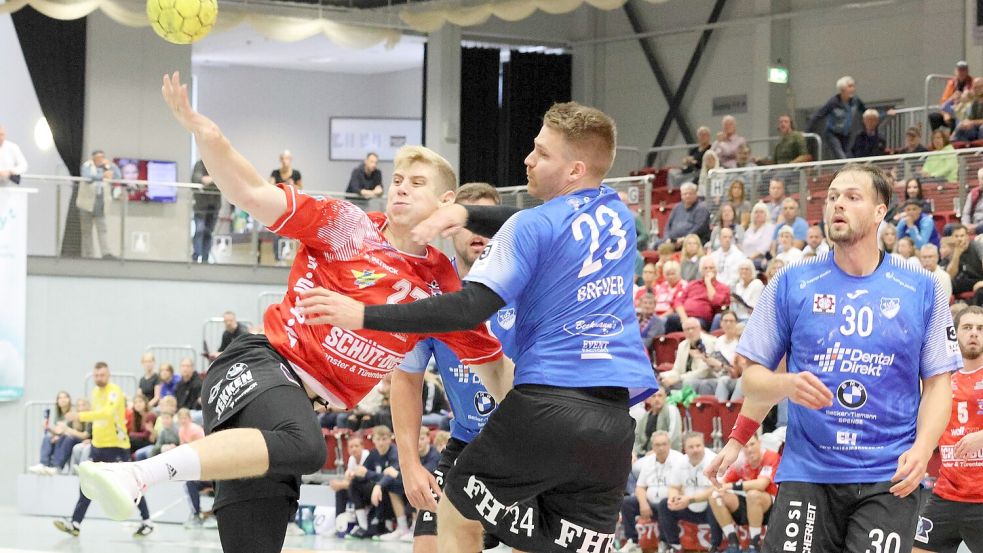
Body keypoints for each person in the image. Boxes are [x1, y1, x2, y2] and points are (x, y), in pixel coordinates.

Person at [77, 72, 504, 553]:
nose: (401, 189)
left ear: (446, 203)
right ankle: (137, 473)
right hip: (258, 367)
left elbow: (493, 369)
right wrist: (207, 135)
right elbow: (252, 193)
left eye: (417, 183)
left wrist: (546, 427)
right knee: (307, 446)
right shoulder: (348, 227)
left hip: (289, 418)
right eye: (398, 180)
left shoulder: (443, 287)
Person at [295, 101, 659, 552]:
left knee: (455, 507)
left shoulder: (528, 229)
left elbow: (469, 308)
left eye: (542, 153)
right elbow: (544, 221)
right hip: (613, 424)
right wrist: (466, 214)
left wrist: (362, 315)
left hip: (547, 404)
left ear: (574, 169)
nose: (528, 159)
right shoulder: (618, 215)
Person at [706, 163, 959, 553]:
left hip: (888, 475)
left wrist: (924, 448)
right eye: (833, 197)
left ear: (880, 212)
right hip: (809, 472)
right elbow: (753, 378)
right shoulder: (791, 282)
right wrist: (773, 397)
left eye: (852, 197)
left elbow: (940, 384)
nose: (838, 204)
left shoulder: (922, 288)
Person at [392, 182, 513, 553]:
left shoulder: (528, 285)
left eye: (487, 220)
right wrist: (409, 463)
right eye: (468, 220)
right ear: (449, 229)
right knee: (428, 545)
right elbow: (406, 379)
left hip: (526, 445)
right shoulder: (433, 295)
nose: (478, 230)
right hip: (466, 443)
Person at [54, 362, 154, 538]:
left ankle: (147, 521)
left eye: (102, 375)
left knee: (130, 484)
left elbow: (107, 414)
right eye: (96, 375)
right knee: (87, 483)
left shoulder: (114, 392)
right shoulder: (95, 392)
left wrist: (79, 415)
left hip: (117, 446)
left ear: (108, 375)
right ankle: (75, 523)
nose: (98, 378)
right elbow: (97, 419)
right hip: (98, 446)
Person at [913, 306, 983, 553]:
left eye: (980, 328)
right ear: (954, 333)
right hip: (946, 495)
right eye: (967, 327)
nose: (974, 333)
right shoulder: (940, 382)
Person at [708, 434, 780, 553]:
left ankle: (754, 545)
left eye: (752, 444)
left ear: (759, 443)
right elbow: (722, 484)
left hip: (771, 506)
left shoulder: (770, 456)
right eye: (746, 446)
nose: (749, 449)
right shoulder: (741, 461)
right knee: (715, 497)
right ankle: (733, 543)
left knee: (753, 494)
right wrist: (718, 487)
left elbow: (761, 485)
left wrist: (731, 486)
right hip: (749, 504)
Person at [620, 431, 686, 553]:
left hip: (670, 504)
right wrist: (643, 503)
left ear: (669, 444)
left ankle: (665, 543)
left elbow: (683, 487)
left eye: (664, 444)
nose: (661, 448)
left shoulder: (679, 459)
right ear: (652, 447)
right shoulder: (648, 461)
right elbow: (640, 487)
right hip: (650, 504)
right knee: (627, 502)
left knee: (663, 504)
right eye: (657, 445)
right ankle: (632, 541)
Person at [655, 432, 719, 552]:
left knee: (715, 501)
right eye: (691, 447)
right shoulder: (680, 462)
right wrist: (674, 498)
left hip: (708, 508)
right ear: (685, 448)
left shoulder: (714, 460)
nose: (695, 450)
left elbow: (717, 488)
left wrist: (690, 500)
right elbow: (673, 487)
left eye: (698, 446)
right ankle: (673, 545)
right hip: (688, 507)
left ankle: (716, 546)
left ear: (704, 445)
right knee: (664, 504)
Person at [807, 76, 894, 160]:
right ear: (842, 89)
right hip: (833, 134)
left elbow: (866, 112)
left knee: (847, 156)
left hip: (846, 134)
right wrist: (807, 131)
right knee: (841, 157)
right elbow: (819, 115)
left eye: (853, 86)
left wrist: (885, 113)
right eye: (850, 86)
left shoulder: (856, 101)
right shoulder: (833, 102)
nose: (853, 89)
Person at [665, 256, 730, 332]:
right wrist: (684, 318)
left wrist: (708, 282)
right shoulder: (692, 284)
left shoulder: (722, 287)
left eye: (711, 268)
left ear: (716, 270)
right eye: (705, 268)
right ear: (701, 271)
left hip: (702, 319)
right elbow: (678, 302)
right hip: (684, 317)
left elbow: (715, 301)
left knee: (695, 324)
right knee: (671, 319)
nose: (708, 270)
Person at [659, 316, 719, 395]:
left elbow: (704, 372)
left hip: (706, 379)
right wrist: (663, 376)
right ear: (683, 331)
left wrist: (679, 378)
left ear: (699, 329)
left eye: (693, 328)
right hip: (685, 378)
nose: (690, 331)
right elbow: (677, 370)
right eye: (687, 329)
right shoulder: (682, 345)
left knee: (688, 382)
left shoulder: (709, 342)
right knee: (660, 380)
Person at [78, 150, 121, 259]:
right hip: (86, 204)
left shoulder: (107, 167)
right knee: (87, 232)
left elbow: (117, 176)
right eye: (97, 158)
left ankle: (105, 253)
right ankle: (89, 255)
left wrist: (111, 165)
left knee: (102, 230)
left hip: (101, 204)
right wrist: (102, 176)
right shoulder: (87, 166)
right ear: (93, 159)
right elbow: (87, 178)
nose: (100, 160)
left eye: (102, 157)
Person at [29, 391, 76, 475]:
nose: (63, 400)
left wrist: (58, 435)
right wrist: (48, 428)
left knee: (61, 439)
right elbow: (58, 430)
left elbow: (69, 430)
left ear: (69, 399)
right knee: (47, 437)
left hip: (70, 437)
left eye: (65, 397)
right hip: (61, 436)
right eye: (60, 398)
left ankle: (57, 467)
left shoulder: (73, 413)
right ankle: (43, 464)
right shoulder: (58, 414)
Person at [633, 389, 683, 456]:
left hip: (668, 454)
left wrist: (655, 451)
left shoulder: (671, 410)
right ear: (648, 399)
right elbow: (637, 437)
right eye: (653, 396)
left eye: (660, 395)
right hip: (645, 454)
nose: (656, 399)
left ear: (665, 397)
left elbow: (674, 435)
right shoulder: (645, 416)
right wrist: (634, 452)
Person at [191, 159, 221, 263]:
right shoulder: (200, 164)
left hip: (214, 206)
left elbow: (223, 181)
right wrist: (213, 180)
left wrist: (210, 181)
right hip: (200, 206)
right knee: (199, 230)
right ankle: (196, 256)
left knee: (208, 233)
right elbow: (198, 179)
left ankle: (205, 258)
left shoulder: (218, 165)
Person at [947, 224, 983, 302]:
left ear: (967, 237)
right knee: (946, 285)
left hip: (979, 278)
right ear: (952, 238)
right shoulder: (951, 250)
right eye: (956, 236)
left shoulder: (977, 246)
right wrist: (957, 254)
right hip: (964, 281)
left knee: (981, 291)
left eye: (962, 236)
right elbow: (949, 276)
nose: (959, 239)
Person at [741, 202, 775, 269]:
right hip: (745, 259)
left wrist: (749, 259)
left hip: (759, 261)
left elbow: (764, 248)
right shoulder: (750, 229)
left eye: (761, 212)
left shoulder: (769, 227)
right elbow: (743, 244)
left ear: (766, 214)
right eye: (756, 212)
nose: (758, 214)